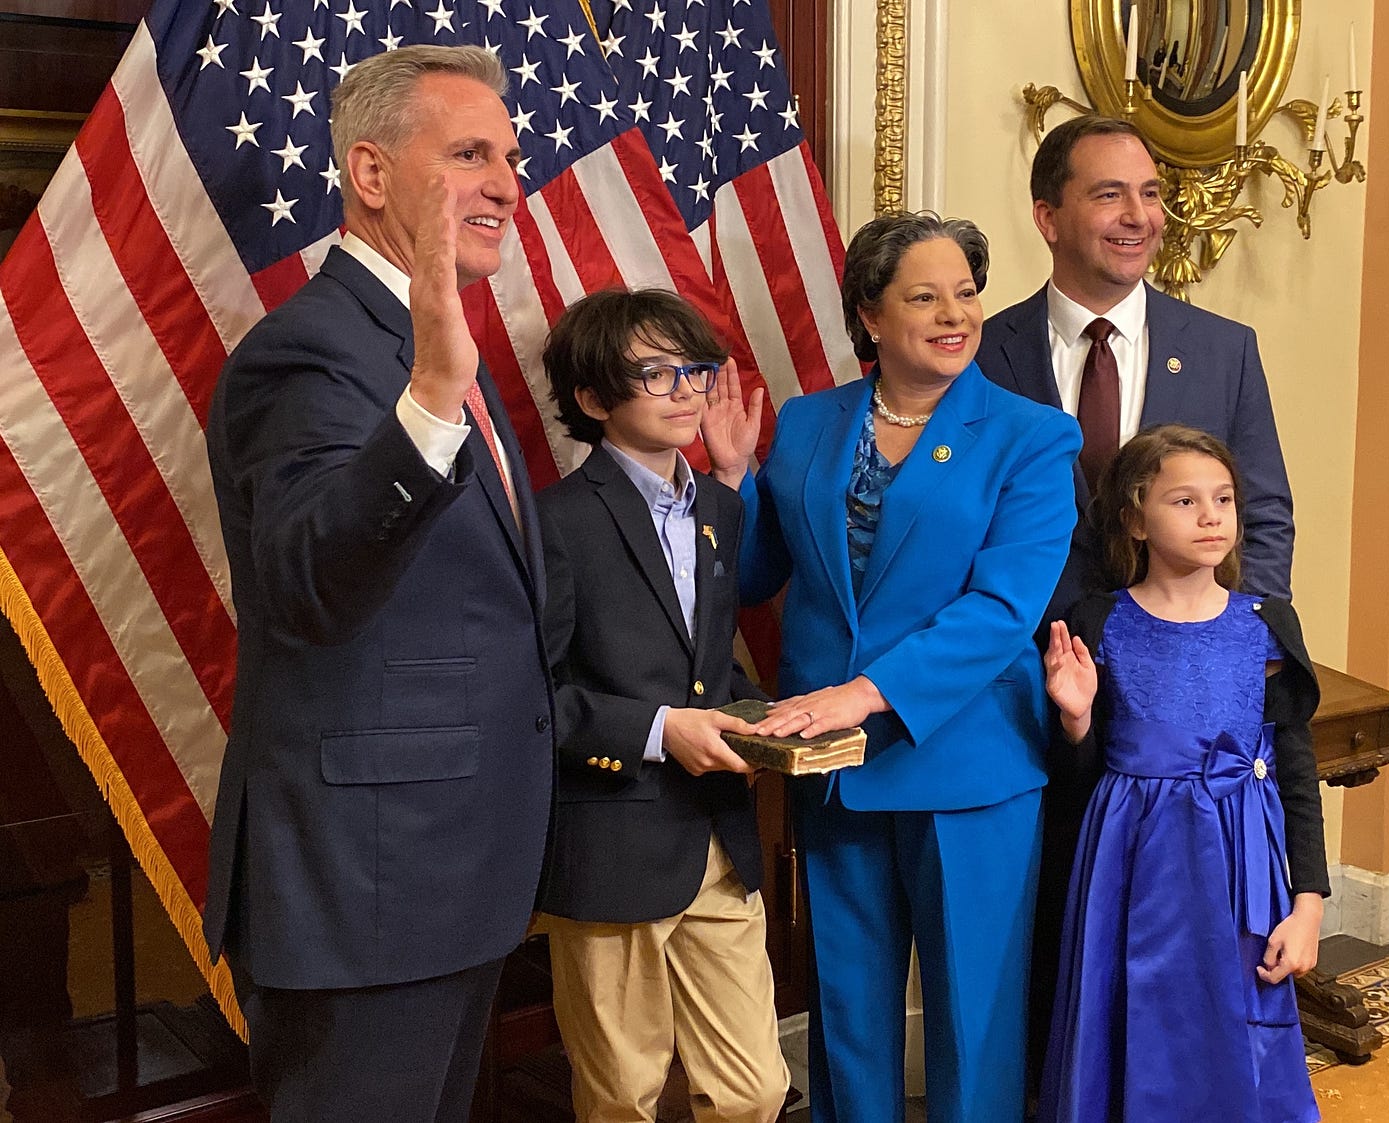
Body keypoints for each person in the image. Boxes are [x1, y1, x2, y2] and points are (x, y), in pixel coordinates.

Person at [202, 46, 553, 1123]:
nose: (509, 181)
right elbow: (307, 580)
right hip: (367, 894)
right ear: (368, 172)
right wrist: (432, 400)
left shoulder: (426, 342)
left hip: (447, 881)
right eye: (468, 154)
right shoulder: (312, 352)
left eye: (510, 154)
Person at [703, 212, 1082, 1123]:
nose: (955, 313)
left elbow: (1001, 611)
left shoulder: (1033, 437)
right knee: (850, 1018)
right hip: (833, 770)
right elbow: (754, 579)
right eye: (924, 295)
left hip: (969, 761)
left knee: (974, 1017)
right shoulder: (805, 423)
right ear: (869, 316)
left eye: (965, 292)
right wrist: (730, 482)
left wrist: (864, 693)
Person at [975, 116, 1298, 1092]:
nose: (1139, 215)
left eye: (1150, 193)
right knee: (1049, 947)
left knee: (1197, 958)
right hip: (1037, 700)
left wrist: (1239, 644)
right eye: (1110, 193)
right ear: (1048, 214)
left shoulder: (1223, 345)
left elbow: (1266, 512)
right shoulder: (985, 353)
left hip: (1192, 713)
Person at [533, 288, 790, 1123]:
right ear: (593, 398)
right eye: (657, 373)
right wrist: (654, 732)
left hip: (718, 835)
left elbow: (706, 671)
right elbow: (530, 700)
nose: (687, 389)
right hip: (609, 842)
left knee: (755, 1090)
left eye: (696, 369)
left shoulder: (721, 504)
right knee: (622, 1097)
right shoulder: (553, 524)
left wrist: (776, 718)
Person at [1038, 425, 1326, 1123]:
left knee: (1238, 1009)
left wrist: (1309, 904)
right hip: (1131, 861)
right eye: (1185, 500)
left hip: (1241, 860)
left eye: (1223, 499)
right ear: (1134, 519)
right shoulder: (1098, 621)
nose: (1210, 516)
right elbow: (1075, 775)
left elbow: (1295, 769)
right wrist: (1075, 719)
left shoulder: (1266, 625)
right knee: (1133, 1009)